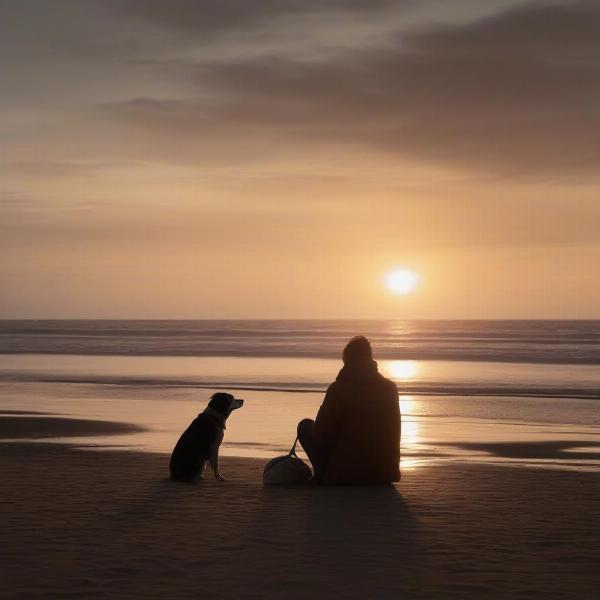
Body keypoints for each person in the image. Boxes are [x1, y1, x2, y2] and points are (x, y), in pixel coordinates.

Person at [297, 336, 401, 485]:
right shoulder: (390, 388)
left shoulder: (338, 389)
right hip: (384, 473)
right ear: (370, 359)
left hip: (347, 473)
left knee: (305, 426)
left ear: (346, 361)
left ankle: (322, 474)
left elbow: (321, 436)